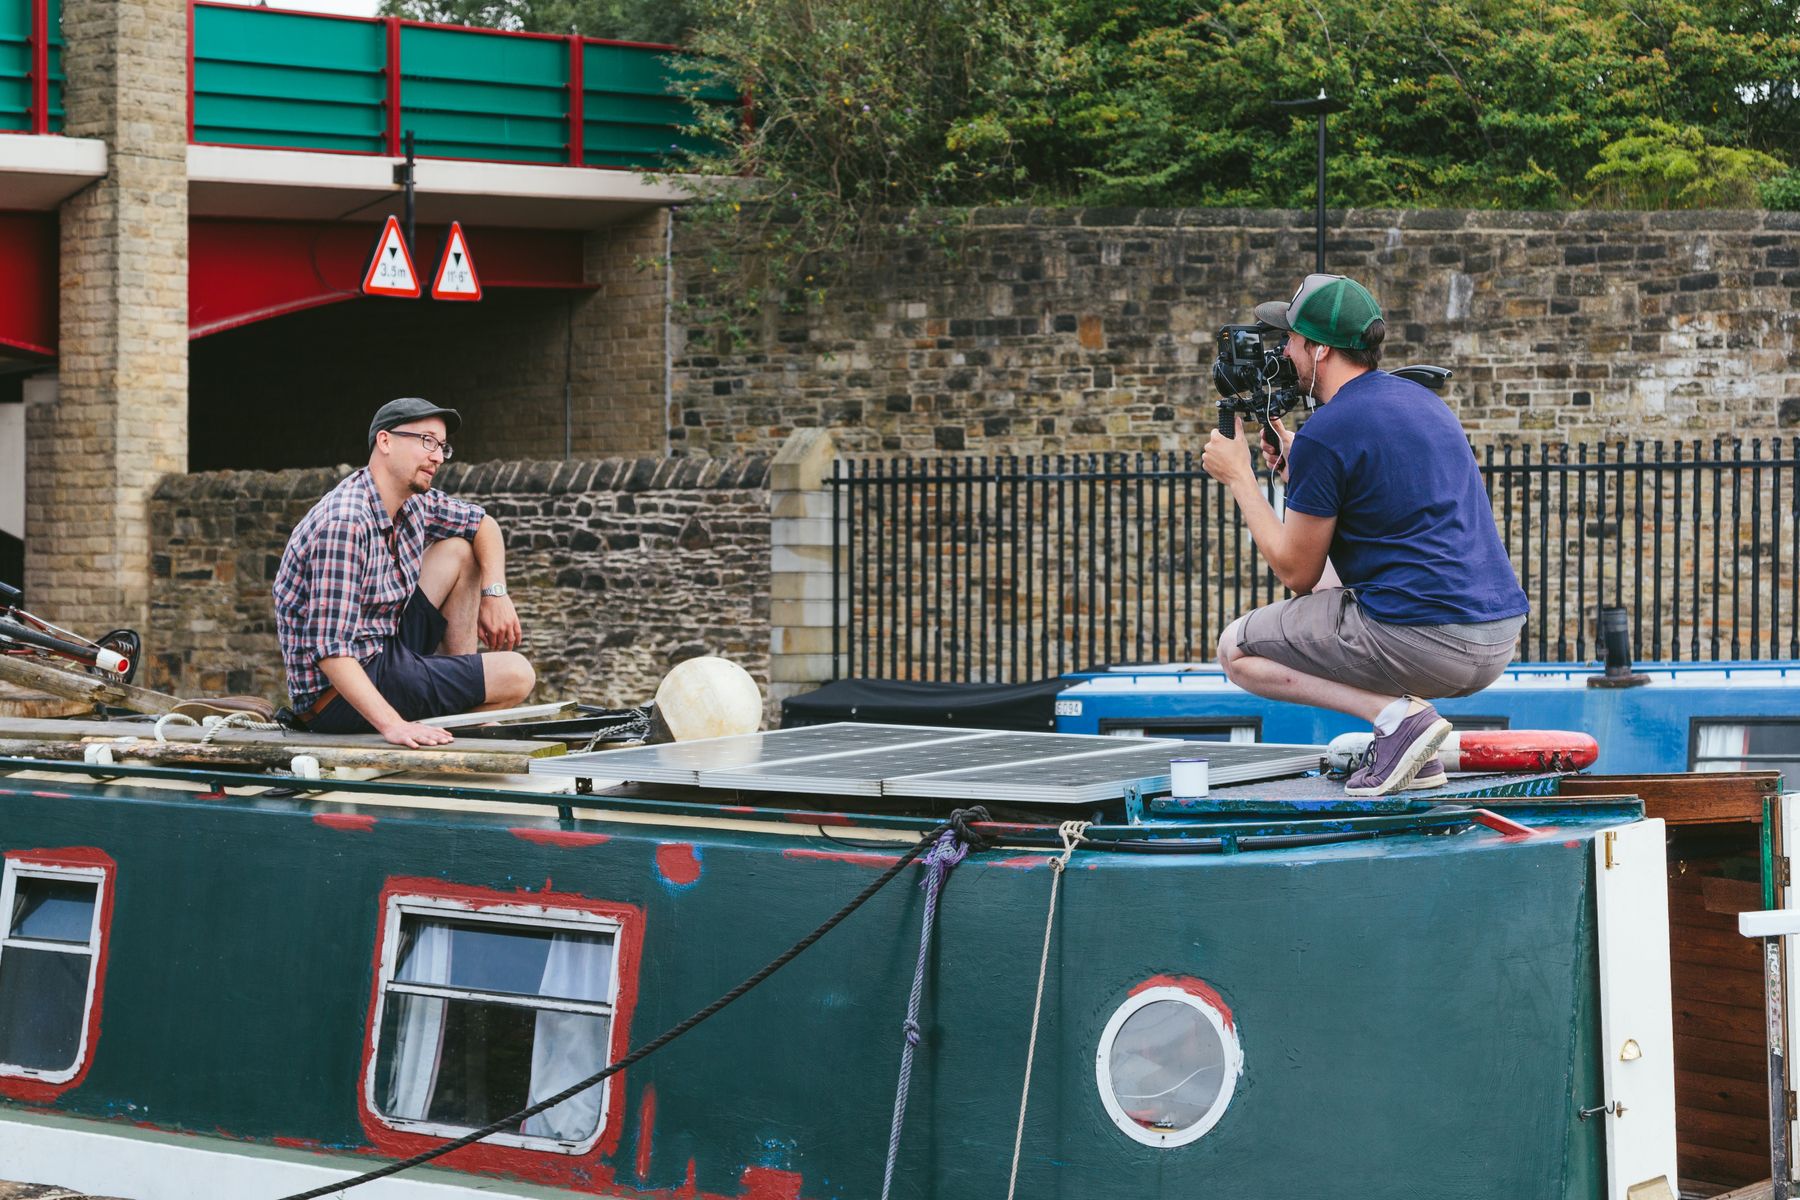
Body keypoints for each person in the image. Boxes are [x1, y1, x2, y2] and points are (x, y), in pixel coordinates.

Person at [1199, 274, 1528, 796]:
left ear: (1319, 349)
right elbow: (1341, 562)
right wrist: (1296, 470)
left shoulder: (1330, 430)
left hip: (1429, 640)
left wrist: (1240, 476)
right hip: (1497, 636)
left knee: (1234, 652)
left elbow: (1294, 572)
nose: (1283, 351)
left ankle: (1399, 720)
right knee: (1337, 595)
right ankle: (1417, 758)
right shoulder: (1421, 403)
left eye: (1290, 339)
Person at [273, 398, 535, 747]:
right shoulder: (345, 522)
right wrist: (394, 726)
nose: (438, 457)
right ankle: (462, 706)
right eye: (427, 441)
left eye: (442, 446)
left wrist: (495, 592)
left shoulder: (414, 502)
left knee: (459, 551)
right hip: (336, 697)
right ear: (385, 441)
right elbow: (330, 651)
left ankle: (457, 690)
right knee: (517, 675)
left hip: (387, 647)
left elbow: (483, 524)